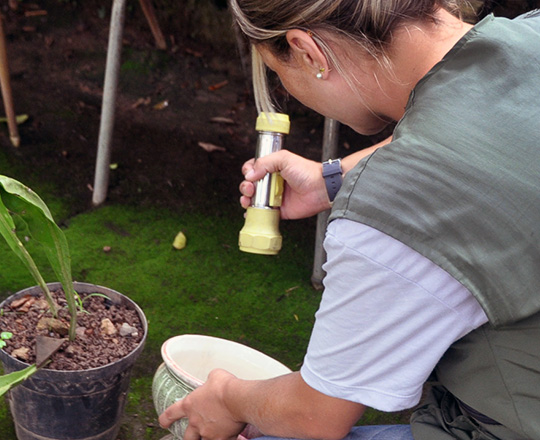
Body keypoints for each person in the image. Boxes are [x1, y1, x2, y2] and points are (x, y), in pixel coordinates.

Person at [158, 1, 540, 439]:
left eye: (279, 75)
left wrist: (228, 398)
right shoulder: (529, 34)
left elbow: (314, 415)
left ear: (308, 52)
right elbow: (486, 127)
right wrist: (331, 180)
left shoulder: (395, 207)